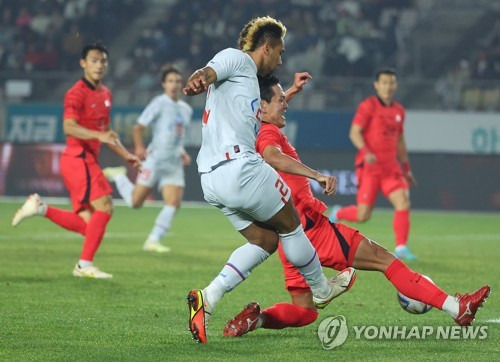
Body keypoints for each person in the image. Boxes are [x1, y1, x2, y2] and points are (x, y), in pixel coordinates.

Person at [223, 74, 491, 337]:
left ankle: (256, 320)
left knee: (305, 311)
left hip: (288, 236)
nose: (286, 104)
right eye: (282, 100)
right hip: (312, 231)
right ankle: (458, 308)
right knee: (385, 260)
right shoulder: (269, 133)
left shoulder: (255, 127)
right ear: (263, 106)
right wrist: (316, 174)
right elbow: (272, 156)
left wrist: (290, 91)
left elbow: (267, 111)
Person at [182, 16, 340, 344]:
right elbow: (211, 71)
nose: (280, 60)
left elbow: (263, 111)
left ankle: (207, 298)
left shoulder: (249, 84)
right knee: (291, 224)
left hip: (211, 179)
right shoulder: (237, 59)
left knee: (265, 241)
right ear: (266, 47)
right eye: (279, 53)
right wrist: (200, 77)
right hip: (239, 169)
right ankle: (323, 289)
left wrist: (291, 92)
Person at [11, 42, 141, 279]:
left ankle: (40, 208)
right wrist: (98, 135)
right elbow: (68, 126)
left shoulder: (106, 94)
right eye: (93, 60)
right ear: (83, 63)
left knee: (88, 226)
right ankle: (84, 265)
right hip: (77, 158)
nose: (98, 65)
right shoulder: (76, 92)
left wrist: (126, 155)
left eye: (102, 61)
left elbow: (108, 133)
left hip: (85, 160)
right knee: (106, 206)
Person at [329, 68, 418, 260]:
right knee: (363, 216)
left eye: (391, 82)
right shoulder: (368, 106)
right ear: (376, 85)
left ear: (396, 85)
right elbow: (354, 133)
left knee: (403, 201)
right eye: (384, 83)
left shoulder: (399, 111)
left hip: (391, 168)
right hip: (370, 168)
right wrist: (367, 151)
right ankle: (339, 211)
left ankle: (401, 248)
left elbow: (400, 141)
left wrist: (407, 169)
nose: (388, 86)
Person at [103, 65, 193, 253]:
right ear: (163, 84)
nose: (174, 84)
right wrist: (139, 147)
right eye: (170, 81)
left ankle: (153, 240)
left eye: (177, 81)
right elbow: (138, 127)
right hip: (156, 159)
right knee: (135, 203)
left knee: (173, 203)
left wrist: (182, 151)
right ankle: (119, 176)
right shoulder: (159, 103)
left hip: (174, 162)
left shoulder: (186, 109)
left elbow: (178, 136)